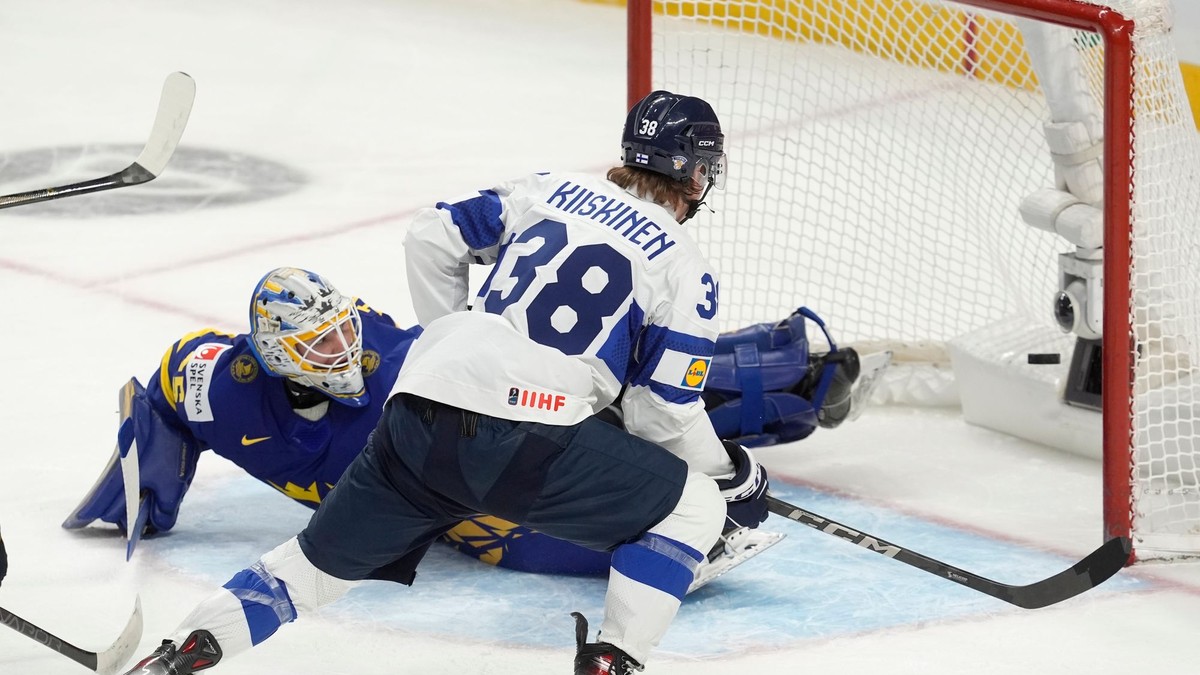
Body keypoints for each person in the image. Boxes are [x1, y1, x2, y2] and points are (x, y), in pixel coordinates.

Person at [119, 91, 863, 675]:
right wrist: (735, 476)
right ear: (697, 174)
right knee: (694, 509)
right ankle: (611, 661)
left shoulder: (552, 188)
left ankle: (178, 653)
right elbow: (664, 412)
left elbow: (431, 232)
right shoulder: (685, 263)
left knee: (309, 567)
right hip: (523, 437)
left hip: (414, 410)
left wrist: (455, 344)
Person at [65, 269, 865, 579]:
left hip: (493, 407)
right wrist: (144, 489)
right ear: (273, 357)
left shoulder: (385, 371)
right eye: (317, 342)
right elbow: (166, 390)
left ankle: (790, 370)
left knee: (630, 408)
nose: (343, 346)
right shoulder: (221, 381)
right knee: (507, 536)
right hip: (437, 491)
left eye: (344, 325)